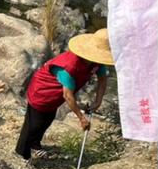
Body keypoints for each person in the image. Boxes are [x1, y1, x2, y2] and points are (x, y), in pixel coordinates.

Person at [16, 28, 113, 161]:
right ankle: (22, 154)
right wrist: (81, 118)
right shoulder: (69, 66)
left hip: (55, 96)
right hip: (42, 92)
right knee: (34, 124)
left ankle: (35, 145)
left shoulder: (97, 62)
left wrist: (98, 100)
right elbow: (68, 95)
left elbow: (102, 80)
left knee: (47, 120)